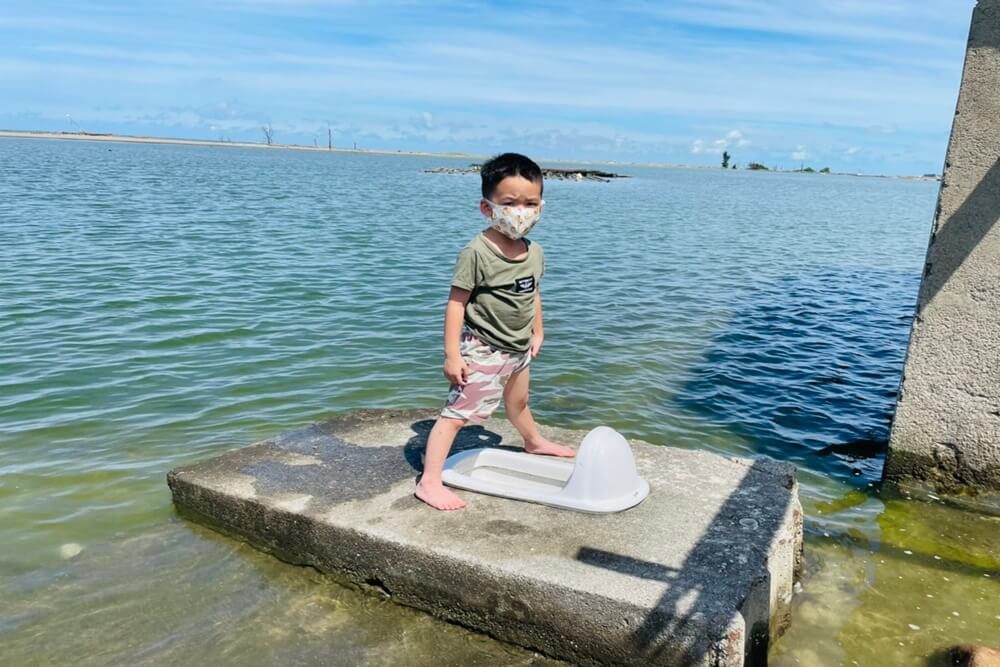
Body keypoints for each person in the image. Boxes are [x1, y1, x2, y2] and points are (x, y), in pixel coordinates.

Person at [415, 153, 575, 511]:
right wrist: (452, 354)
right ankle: (429, 481)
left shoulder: (534, 252)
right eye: (510, 203)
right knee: (456, 415)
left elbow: (532, 292)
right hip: (484, 349)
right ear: (488, 208)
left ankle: (533, 441)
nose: (521, 211)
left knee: (518, 402)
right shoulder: (477, 252)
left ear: (541, 206)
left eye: (530, 203)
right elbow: (456, 303)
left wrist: (538, 331)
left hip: (518, 349)